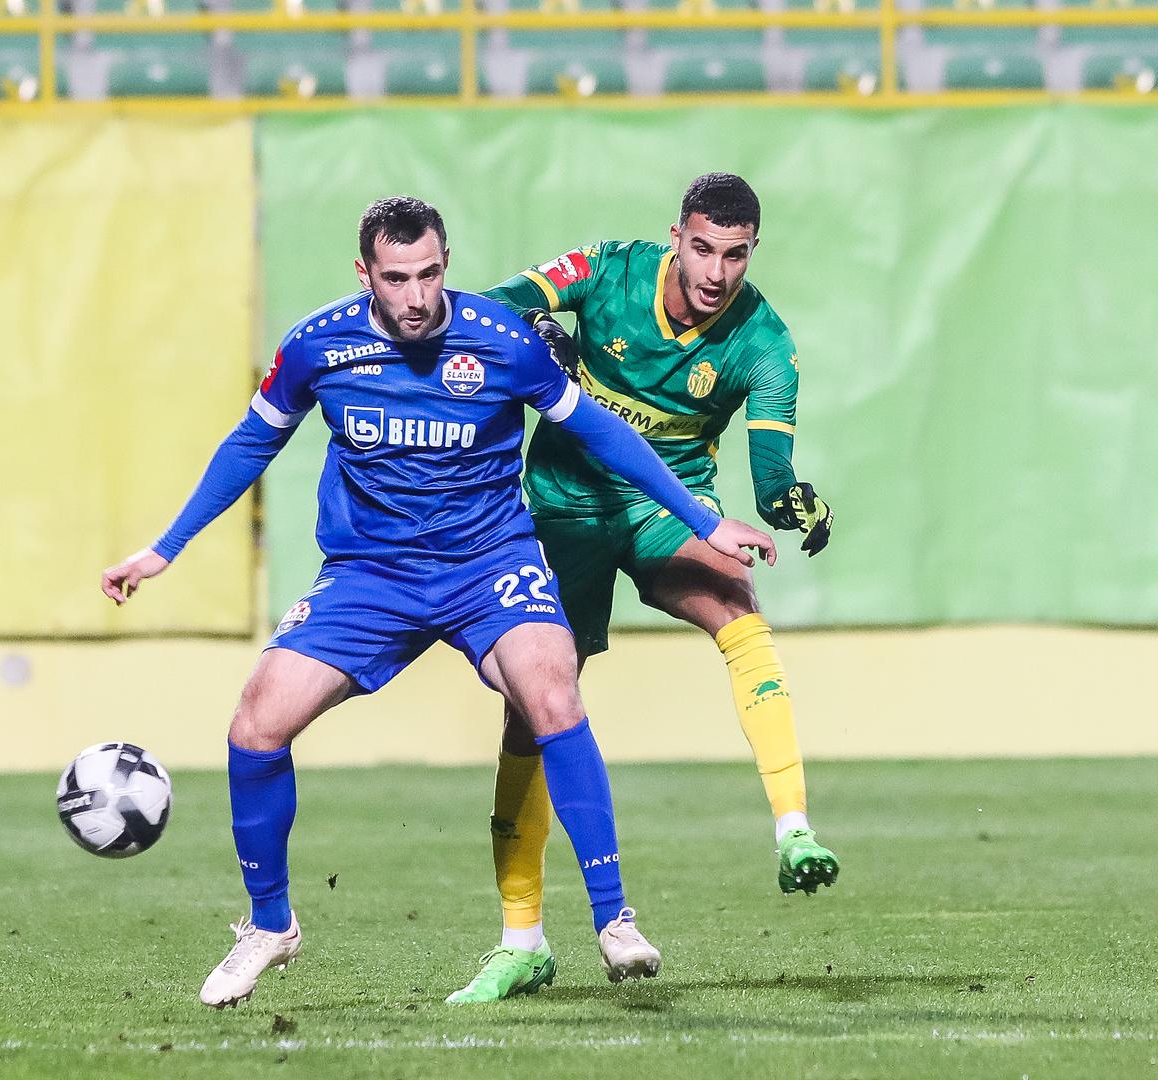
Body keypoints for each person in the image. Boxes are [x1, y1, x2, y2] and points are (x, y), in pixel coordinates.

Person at [102, 195, 776, 1008]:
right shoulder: (317, 344)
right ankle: (270, 925)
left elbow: (600, 431)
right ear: (365, 274)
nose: (417, 296)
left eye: (429, 274)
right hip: (370, 574)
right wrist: (165, 548)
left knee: (552, 685)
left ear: (446, 264)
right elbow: (252, 443)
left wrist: (704, 520)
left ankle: (613, 920)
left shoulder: (503, 340)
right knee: (256, 723)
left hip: (488, 564)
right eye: (397, 279)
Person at [447, 173, 840, 1006]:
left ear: (752, 251)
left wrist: (793, 501)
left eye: (735, 255)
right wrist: (536, 328)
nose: (717, 272)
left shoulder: (763, 341)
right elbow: (486, 305)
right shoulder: (606, 270)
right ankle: (522, 941)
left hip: (670, 507)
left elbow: (771, 473)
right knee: (532, 709)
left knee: (737, 604)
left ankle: (794, 829)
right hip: (561, 512)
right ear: (676, 237)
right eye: (703, 249)